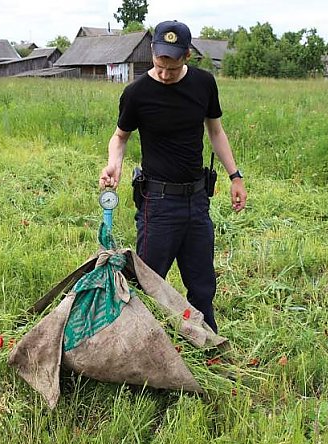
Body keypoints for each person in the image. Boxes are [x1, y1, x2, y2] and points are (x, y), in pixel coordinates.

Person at [98, 20, 247, 333]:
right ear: (152, 52)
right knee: (147, 283)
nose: (164, 74)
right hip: (158, 204)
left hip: (197, 201)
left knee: (203, 286)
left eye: (172, 67)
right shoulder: (137, 93)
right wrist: (114, 164)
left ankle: (208, 346)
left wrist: (235, 175)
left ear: (187, 56)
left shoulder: (204, 84)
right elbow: (120, 137)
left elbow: (216, 131)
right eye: (158, 65)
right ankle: (137, 346)